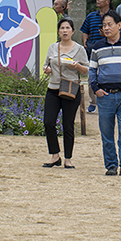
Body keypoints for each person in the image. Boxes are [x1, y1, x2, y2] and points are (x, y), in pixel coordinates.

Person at [88, 11, 121, 176]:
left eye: (110, 24)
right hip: (105, 96)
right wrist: (96, 89)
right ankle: (111, 165)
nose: (106, 28)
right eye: (104, 25)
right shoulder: (97, 47)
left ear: (119, 25)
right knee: (106, 133)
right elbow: (92, 71)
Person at [42, 18, 88, 169]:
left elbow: (87, 70)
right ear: (58, 31)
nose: (65, 31)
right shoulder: (53, 47)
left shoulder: (79, 49)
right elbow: (46, 65)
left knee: (67, 125)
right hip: (53, 89)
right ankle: (55, 155)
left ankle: (68, 158)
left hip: (70, 89)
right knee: (49, 122)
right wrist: (47, 70)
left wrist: (78, 66)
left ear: (73, 31)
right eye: (62, 28)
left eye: (68, 28)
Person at [81, 0, 113, 113]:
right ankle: (93, 102)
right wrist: (85, 42)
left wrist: (106, 35)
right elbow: (85, 30)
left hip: (108, 51)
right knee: (92, 76)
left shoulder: (113, 17)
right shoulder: (91, 16)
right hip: (93, 51)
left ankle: (106, 101)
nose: (98, 0)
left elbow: (118, 33)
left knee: (107, 77)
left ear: (108, 1)